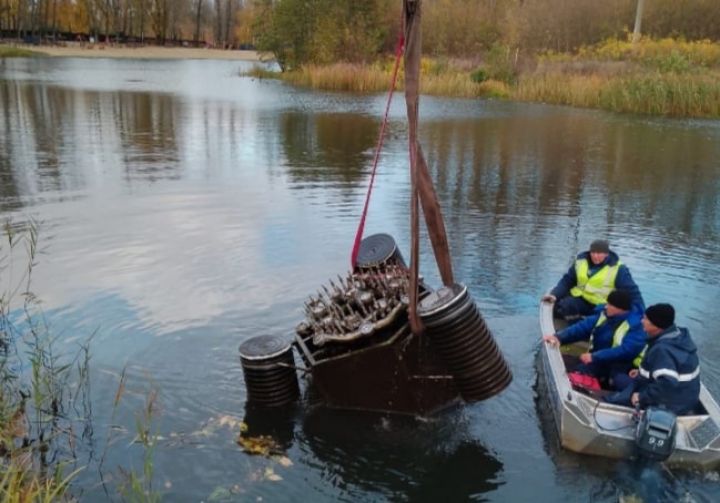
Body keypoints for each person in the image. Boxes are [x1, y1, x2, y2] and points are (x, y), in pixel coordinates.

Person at [605, 303, 700, 415]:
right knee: (623, 378)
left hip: (671, 404)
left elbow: (667, 383)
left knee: (618, 379)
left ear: (656, 325)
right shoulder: (677, 336)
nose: (642, 321)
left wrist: (641, 397)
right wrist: (641, 372)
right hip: (684, 398)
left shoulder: (663, 349)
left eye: (646, 319)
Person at [543, 289, 645, 387]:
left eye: (610, 305)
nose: (606, 307)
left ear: (620, 309)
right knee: (571, 367)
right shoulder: (604, 316)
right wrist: (559, 337)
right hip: (599, 360)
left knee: (580, 372)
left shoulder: (636, 326)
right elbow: (581, 328)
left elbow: (627, 351)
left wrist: (595, 356)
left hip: (620, 366)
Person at [542, 239, 644, 321]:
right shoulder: (580, 262)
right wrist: (554, 294)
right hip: (580, 299)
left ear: (606, 254)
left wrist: (641, 315)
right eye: (593, 252)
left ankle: (584, 324)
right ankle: (578, 322)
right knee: (560, 308)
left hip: (601, 305)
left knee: (603, 322)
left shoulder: (618, 269)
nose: (595, 256)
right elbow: (567, 281)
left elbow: (633, 293)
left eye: (599, 253)